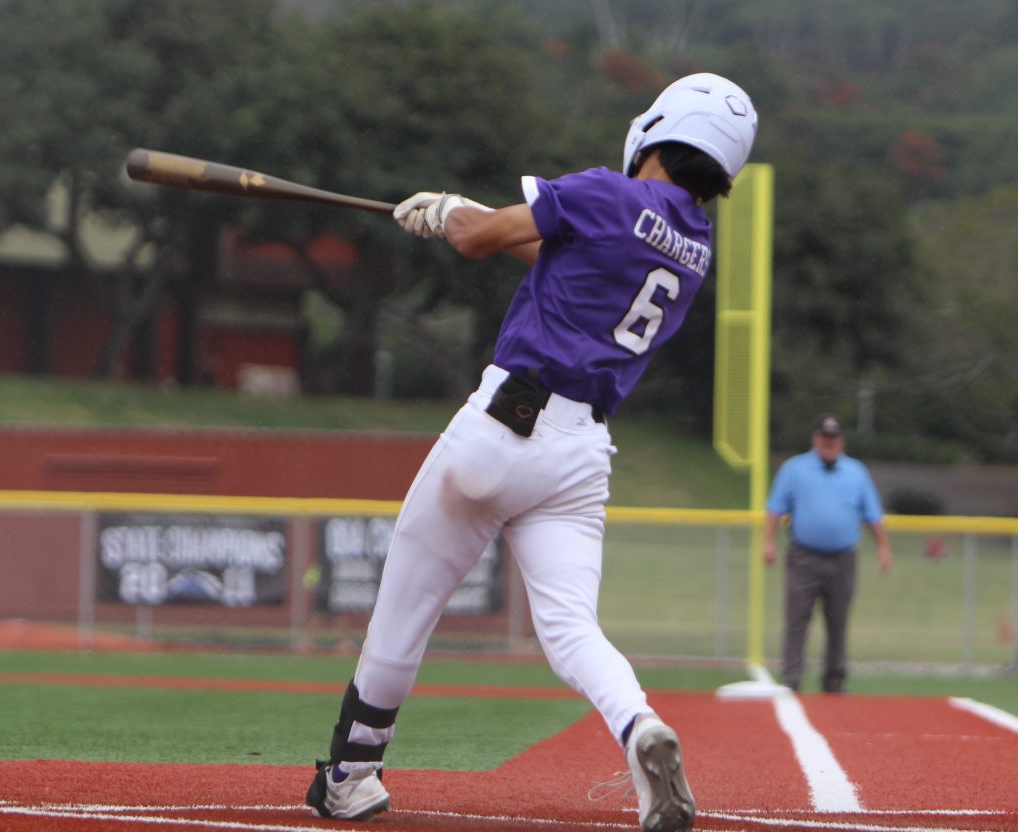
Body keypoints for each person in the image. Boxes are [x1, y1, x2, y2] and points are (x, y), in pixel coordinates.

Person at [305, 72, 758, 832]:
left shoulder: (607, 193)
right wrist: (460, 213)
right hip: (580, 456)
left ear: (659, 129)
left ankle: (352, 774)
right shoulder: (693, 248)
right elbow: (562, 259)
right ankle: (640, 726)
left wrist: (453, 213)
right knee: (573, 628)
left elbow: (485, 240)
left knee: (403, 612)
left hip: (501, 427)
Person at [763, 414, 893, 693]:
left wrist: (883, 546)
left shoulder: (856, 472)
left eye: (833, 439)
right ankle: (791, 679)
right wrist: (769, 541)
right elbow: (775, 507)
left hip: (843, 558)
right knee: (796, 619)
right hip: (804, 556)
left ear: (841, 441)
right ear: (815, 439)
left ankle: (834, 681)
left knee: (838, 621)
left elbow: (872, 514)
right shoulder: (794, 469)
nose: (828, 443)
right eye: (824, 438)